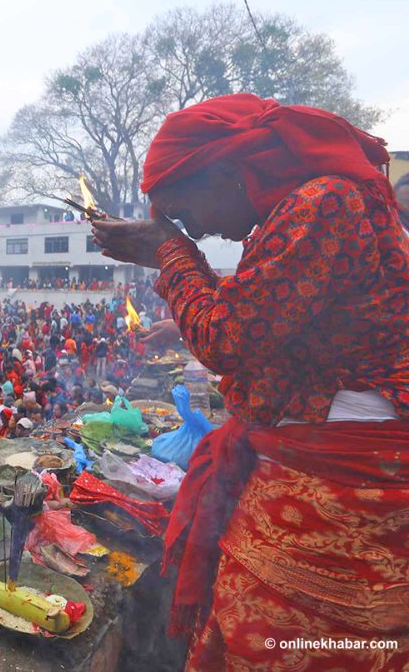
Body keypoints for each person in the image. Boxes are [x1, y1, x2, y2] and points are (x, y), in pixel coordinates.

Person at [93, 93, 409, 670]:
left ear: (226, 172)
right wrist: (179, 277)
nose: (199, 230)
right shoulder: (312, 203)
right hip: (315, 456)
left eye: (186, 213)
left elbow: (229, 337)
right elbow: (269, 315)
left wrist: (171, 254)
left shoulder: (326, 201)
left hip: (341, 471)